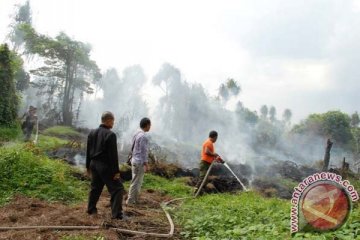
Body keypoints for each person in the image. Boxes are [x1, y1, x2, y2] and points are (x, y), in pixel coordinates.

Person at [86, 111, 126, 220]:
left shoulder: (92, 133)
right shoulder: (110, 135)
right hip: (105, 166)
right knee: (118, 189)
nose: (113, 123)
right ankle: (117, 215)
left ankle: (91, 209)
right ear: (108, 120)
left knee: (95, 188)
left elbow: (88, 151)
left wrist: (87, 166)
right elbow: (113, 155)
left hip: (93, 164)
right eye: (113, 121)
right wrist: (116, 172)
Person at [126, 117, 151, 205]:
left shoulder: (136, 134)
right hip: (139, 162)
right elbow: (144, 151)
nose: (150, 127)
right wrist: (146, 164)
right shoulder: (143, 136)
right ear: (147, 125)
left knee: (137, 181)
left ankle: (134, 200)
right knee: (136, 182)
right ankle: (130, 201)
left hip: (134, 160)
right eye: (150, 125)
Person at [194, 130, 224, 195]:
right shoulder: (209, 142)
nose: (216, 139)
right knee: (203, 178)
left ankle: (200, 192)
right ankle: (195, 193)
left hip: (207, 163)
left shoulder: (210, 143)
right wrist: (214, 154)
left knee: (205, 179)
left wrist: (219, 160)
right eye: (216, 138)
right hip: (204, 163)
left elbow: (210, 155)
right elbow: (206, 151)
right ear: (215, 137)